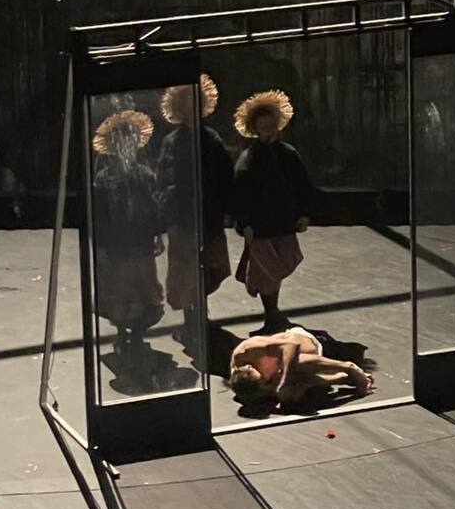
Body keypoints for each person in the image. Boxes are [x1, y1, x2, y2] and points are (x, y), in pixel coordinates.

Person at [157, 73, 234, 346]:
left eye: (195, 101)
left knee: (211, 267)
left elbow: (225, 175)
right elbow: (162, 179)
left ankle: (199, 313)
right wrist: (165, 214)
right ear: (178, 107)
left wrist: (226, 208)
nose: (191, 107)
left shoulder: (211, 139)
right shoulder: (171, 142)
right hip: (181, 218)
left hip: (208, 216)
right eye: (186, 102)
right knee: (185, 271)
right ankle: (192, 318)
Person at [232, 88, 316, 332]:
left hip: (284, 223)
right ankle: (272, 315)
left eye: (271, 126)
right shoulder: (249, 158)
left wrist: (304, 213)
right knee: (266, 272)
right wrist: (246, 224)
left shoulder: (288, 154)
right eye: (263, 127)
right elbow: (240, 194)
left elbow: (303, 185)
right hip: (260, 226)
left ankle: (273, 314)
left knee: (283, 264)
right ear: (255, 129)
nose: (268, 131)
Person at [91, 108, 165, 352]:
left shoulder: (144, 175)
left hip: (141, 243)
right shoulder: (104, 179)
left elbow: (154, 208)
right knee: (119, 290)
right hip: (116, 245)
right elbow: (99, 215)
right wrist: (100, 246)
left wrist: (158, 235)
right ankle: (123, 330)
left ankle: (138, 331)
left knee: (144, 290)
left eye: (130, 142)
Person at [229, 326, 374, 407]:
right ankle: (343, 379)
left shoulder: (247, 350)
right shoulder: (245, 385)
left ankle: (348, 367)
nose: (267, 382)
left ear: (249, 367)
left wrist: (285, 380)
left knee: (295, 363)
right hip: (300, 365)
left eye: (264, 379)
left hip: (309, 343)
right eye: (265, 384)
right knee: (291, 395)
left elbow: (291, 345)